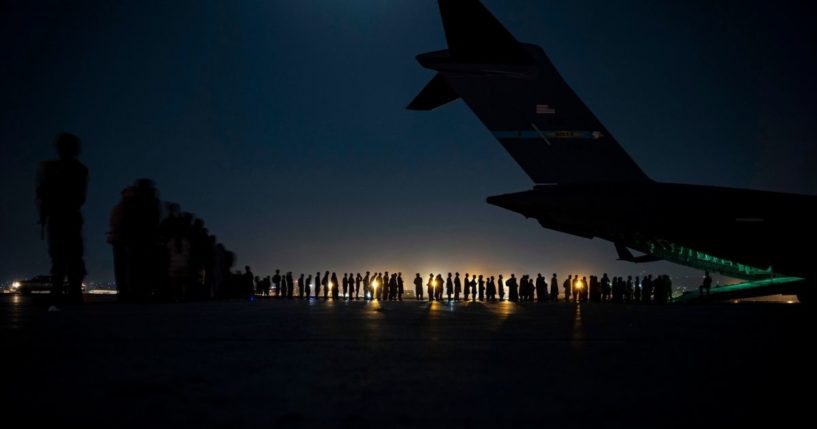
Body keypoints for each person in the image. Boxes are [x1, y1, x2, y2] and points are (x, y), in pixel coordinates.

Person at [37, 133, 89, 302]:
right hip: (69, 216)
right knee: (71, 254)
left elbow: (42, 193)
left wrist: (45, 213)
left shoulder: (50, 168)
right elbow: (80, 197)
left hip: (60, 216)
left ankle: (60, 289)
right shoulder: (80, 169)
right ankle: (71, 290)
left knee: (61, 255)